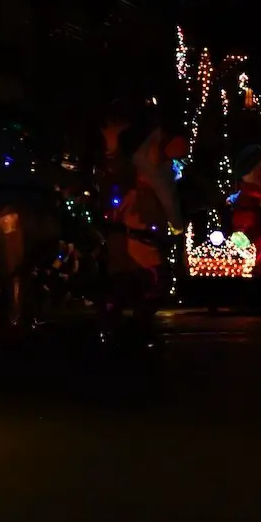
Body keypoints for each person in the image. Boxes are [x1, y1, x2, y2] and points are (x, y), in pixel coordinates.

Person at [96, 100, 187, 348]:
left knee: (151, 286)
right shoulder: (137, 169)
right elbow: (115, 174)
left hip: (148, 239)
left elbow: (170, 201)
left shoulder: (162, 174)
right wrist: (112, 145)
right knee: (127, 285)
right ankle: (115, 330)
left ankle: (138, 328)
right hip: (131, 238)